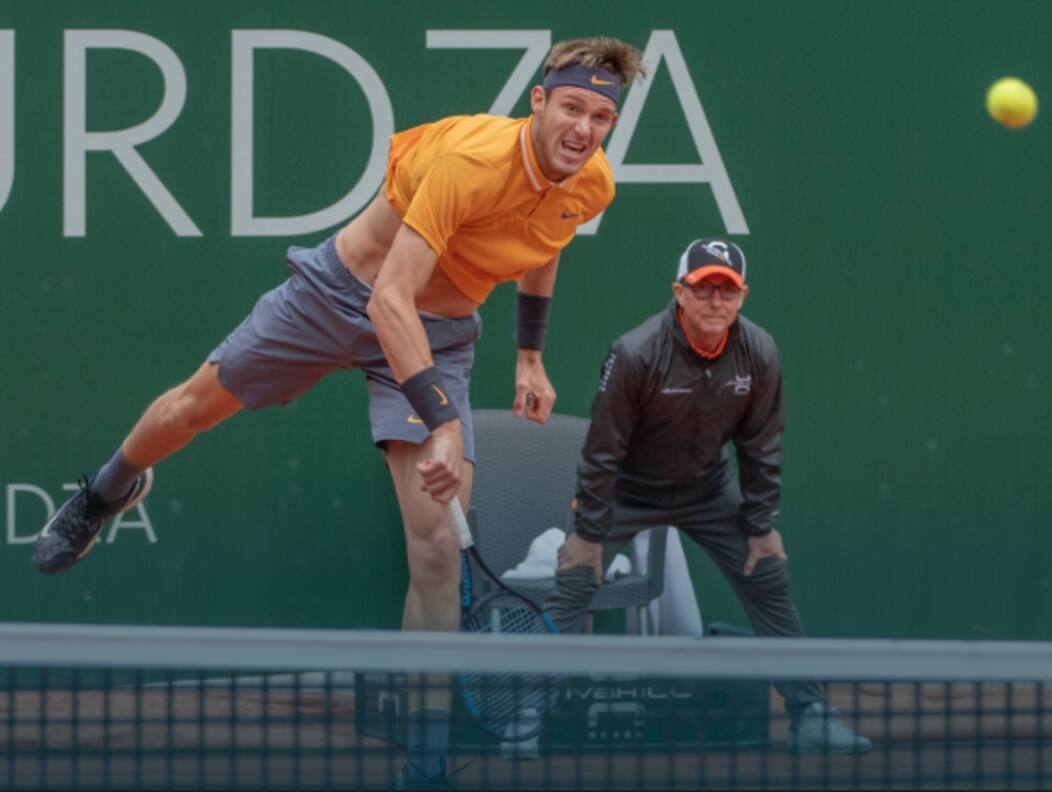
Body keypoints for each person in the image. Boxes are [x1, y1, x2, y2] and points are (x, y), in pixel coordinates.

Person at [33, 36, 646, 786]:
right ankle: (104, 493)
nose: (584, 129)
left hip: (440, 329)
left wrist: (528, 354)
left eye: (602, 118)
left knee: (437, 547)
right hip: (340, 296)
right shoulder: (473, 162)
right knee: (194, 406)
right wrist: (445, 422)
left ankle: (425, 760)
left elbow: (544, 244)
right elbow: (390, 299)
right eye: (573, 108)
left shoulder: (591, 183)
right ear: (539, 101)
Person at [546, 238, 873, 755]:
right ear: (679, 292)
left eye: (728, 290)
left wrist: (761, 525)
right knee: (574, 579)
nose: (716, 301)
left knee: (768, 575)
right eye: (703, 289)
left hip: (707, 488)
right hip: (628, 490)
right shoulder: (635, 352)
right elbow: (602, 449)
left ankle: (809, 713)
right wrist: (588, 533)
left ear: (743, 296)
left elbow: (761, 443)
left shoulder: (759, 352)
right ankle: (527, 714)